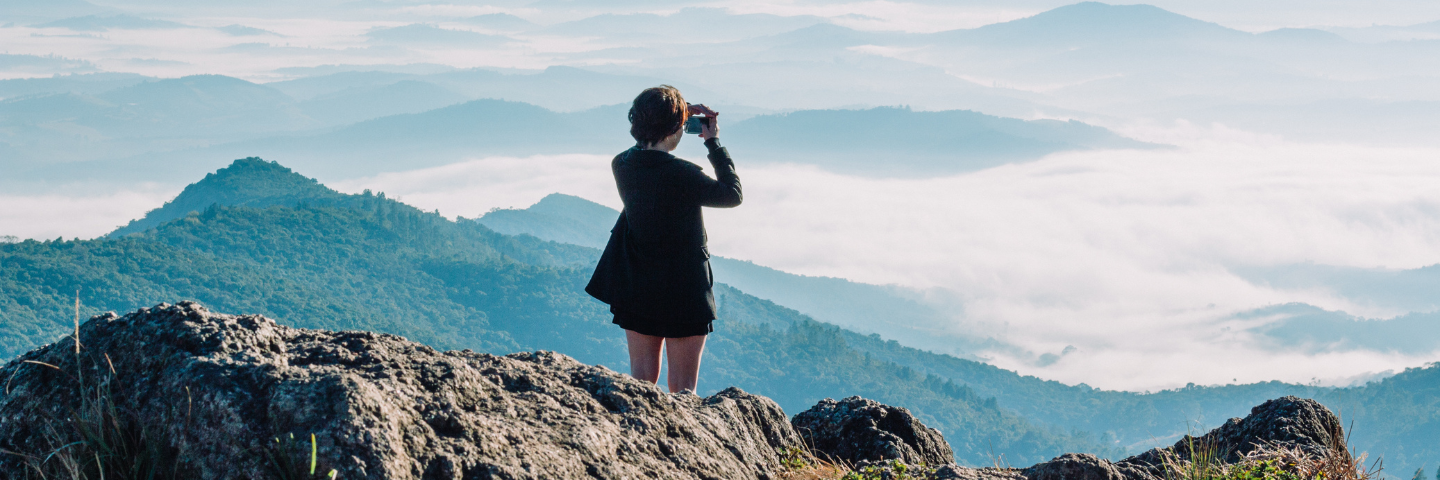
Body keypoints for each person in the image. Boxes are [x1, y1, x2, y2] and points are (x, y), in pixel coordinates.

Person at [584, 85, 742, 393]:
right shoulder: (683, 174)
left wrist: (676, 113)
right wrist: (714, 143)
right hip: (684, 288)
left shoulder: (622, 164)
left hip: (637, 284)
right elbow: (732, 194)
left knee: (641, 383)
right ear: (674, 127)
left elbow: (645, 157)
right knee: (683, 391)